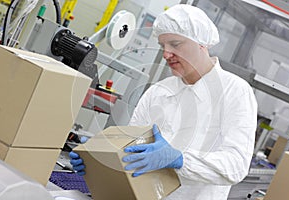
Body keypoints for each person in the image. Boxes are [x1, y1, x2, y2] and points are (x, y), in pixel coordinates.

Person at [70, 4, 257, 200]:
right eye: (163, 46)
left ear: (201, 44)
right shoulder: (157, 92)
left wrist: (180, 158)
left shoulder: (235, 91)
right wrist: (99, 158)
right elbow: (130, 149)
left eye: (175, 44)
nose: (166, 54)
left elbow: (236, 165)